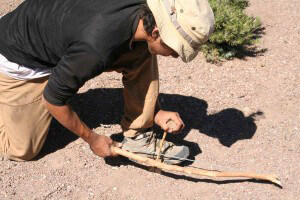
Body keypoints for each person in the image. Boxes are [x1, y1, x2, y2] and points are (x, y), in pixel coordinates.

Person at [0, 0, 214, 163]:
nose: (176, 56)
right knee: (23, 150)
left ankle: (138, 135)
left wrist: (155, 111)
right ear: (156, 31)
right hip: (20, 58)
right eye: (175, 50)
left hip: (60, 35)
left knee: (142, 52)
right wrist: (92, 138)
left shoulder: (145, 14)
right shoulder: (96, 45)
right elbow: (53, 99)